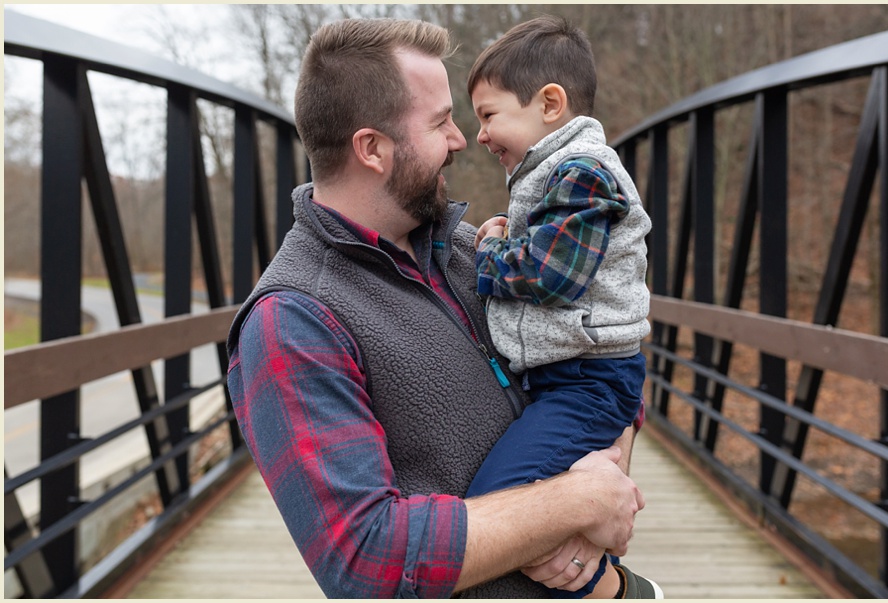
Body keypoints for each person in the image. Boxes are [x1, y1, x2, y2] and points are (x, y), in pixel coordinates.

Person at [226, 17, 644, 599]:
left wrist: (606, 471)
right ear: (371, 148)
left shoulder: (476, 250)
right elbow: (364, 563)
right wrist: (575, 502)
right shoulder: (293, 321)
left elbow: (601, 352)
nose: (460, 140)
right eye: (441, 121)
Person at [464, 15, 661, 599]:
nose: (479, 135)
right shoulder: (552, 172)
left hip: (587, 382)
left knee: (497, 510)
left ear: (550, 103)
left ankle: (615, 588)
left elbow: (551, 276)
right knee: (512, 509)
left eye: (488, 115)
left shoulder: (585, 173)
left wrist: (489, 251)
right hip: (568, 378)